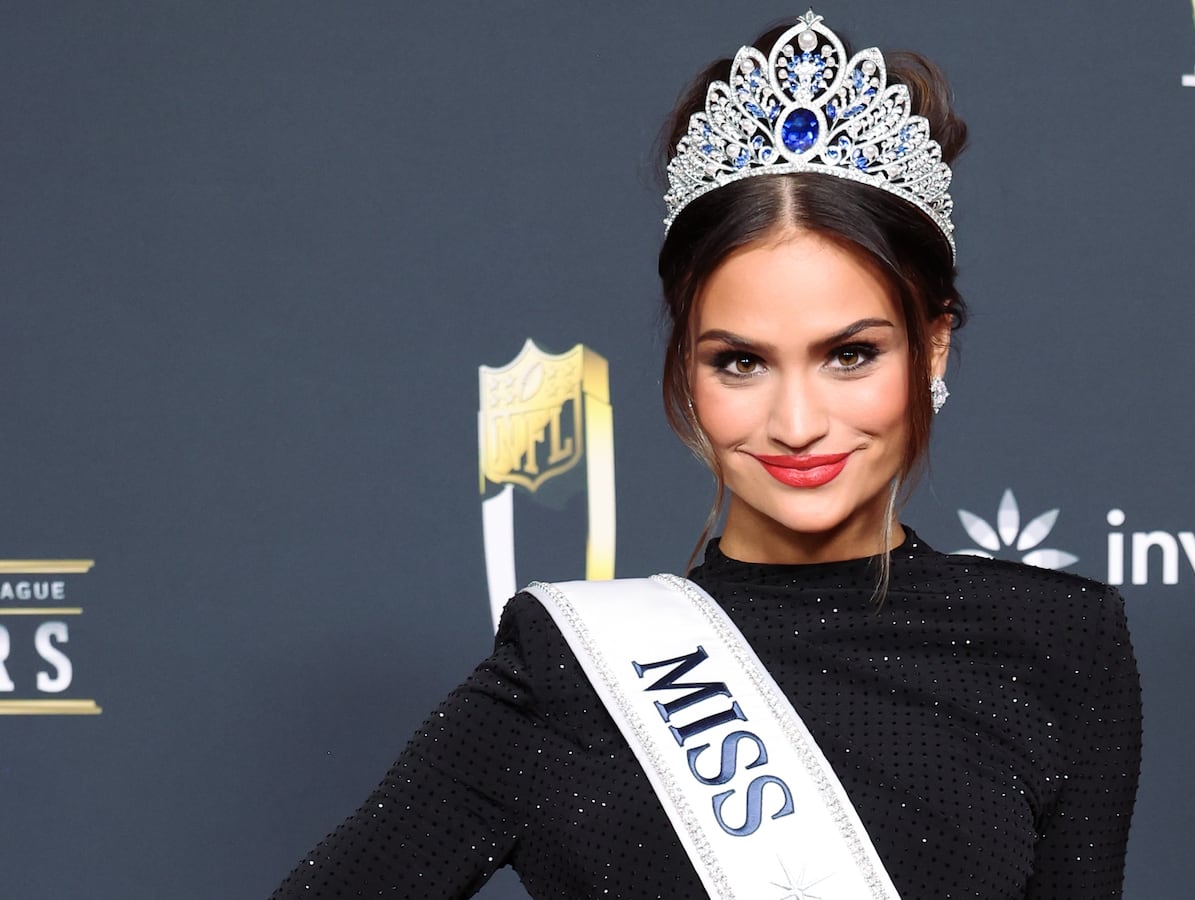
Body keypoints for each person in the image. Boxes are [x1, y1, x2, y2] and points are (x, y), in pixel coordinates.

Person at [272, 11, 1140, 899]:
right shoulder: (574, 669)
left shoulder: (1057, 645)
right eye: (740, 361)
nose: (796, 422)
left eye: (850, 354)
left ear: (933, 347)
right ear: (688, 369)